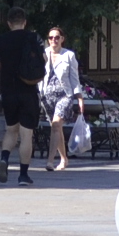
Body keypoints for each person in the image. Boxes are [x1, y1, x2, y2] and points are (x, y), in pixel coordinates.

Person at [0, 8, 46, 186]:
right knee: (26, 134)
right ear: (25, 22)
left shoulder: (0, 41)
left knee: (11, 129)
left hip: (8, 91)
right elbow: (44, 58)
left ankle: (4, 159)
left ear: (8, 23)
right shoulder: (34, 38)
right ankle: (23, 175)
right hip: (28, 90)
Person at [40, 27, 83, 172]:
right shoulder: (44, 54)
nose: (54, 40)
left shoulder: (69, 55)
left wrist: (79, 98)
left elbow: (74, 78)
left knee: (56, 125)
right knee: (56, 128)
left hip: (64, 95)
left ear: (62, 39)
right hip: (46, 97)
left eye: (57, 37)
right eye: (51, 38)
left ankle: (50, 161)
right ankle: (64, 159)